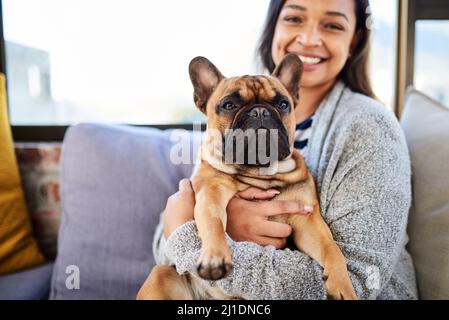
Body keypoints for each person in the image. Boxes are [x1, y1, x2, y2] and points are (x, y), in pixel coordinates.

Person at [152, 0, 418, 299]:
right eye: (294, 18)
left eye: (332, 25)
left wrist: (212, 240)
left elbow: (358, 282)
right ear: (273, 26)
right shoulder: (218, 149)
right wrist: (198, 230)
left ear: (354, 39)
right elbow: (168, 252)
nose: (309, 38)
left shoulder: (369, 128)